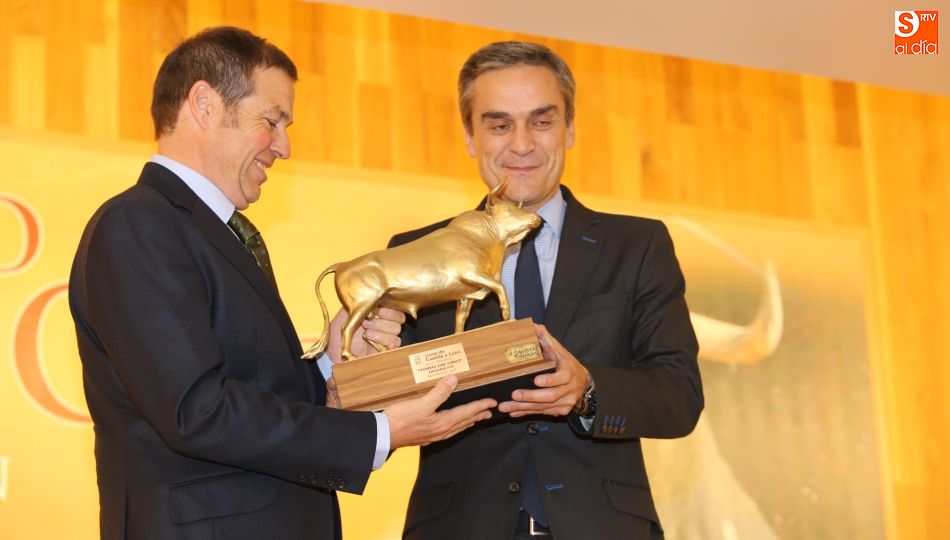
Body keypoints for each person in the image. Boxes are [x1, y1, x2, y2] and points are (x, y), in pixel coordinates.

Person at [68, 26, 495, 540]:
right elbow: (196, 410)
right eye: (271, 121)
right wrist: (378, 434)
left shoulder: (216, 231)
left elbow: (250, 390)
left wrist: (329, 363)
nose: (285, 147)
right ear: (203, 104)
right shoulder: (138, 224)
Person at [389, 41, 704, 539]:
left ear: (570, 128)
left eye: (541, 121)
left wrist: (589, 390)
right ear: (470, 136)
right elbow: (389, 397)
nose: (521, 145)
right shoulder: (415, 252)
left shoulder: (638, 246)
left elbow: (679, 394)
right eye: (498, 124)